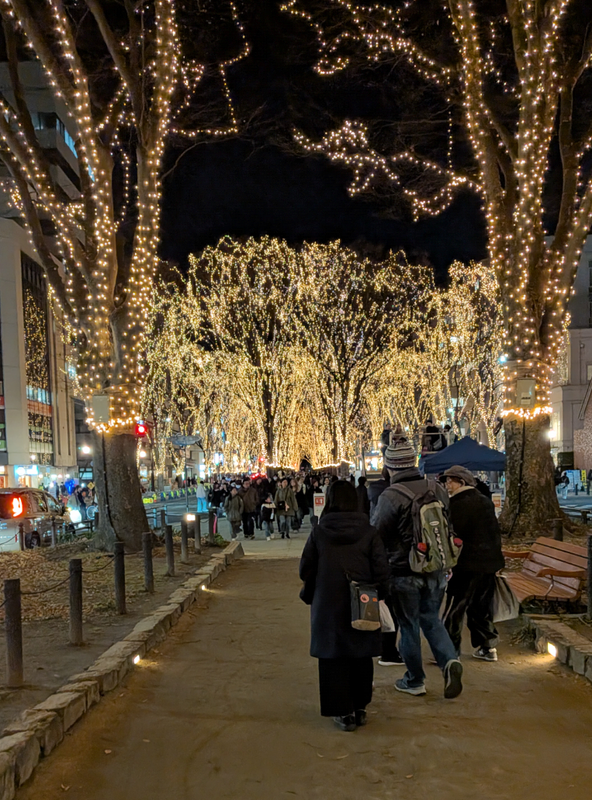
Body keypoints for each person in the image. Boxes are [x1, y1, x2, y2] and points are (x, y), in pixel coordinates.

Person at [371, 438, 463, 699]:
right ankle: (449, 662)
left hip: (404, 572)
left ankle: (415, 680)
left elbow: (378, 533)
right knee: (432, 620)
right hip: (436, 568)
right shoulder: (437, 488)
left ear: (390, 467)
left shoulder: (391, 496)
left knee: (408, 625)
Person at [299, 480, 389, 732]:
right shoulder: (369, 532)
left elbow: (306, 568)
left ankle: (343, 711)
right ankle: (360, 707)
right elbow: (382, 569)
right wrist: (379, 593)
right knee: (360, 654)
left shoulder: (319, 532)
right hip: (363, 600)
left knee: (332, 656)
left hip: (328, 602)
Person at [442, 466, 505, 661]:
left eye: (450, 481)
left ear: (461, 482)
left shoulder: (456, 504)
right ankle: (488, 647)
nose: (447, 485)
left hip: (466, 564)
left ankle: (450, 651)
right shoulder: (484, 501)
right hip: (489, 563)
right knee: (480, 606)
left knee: (457, 607)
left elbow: (453, 536)